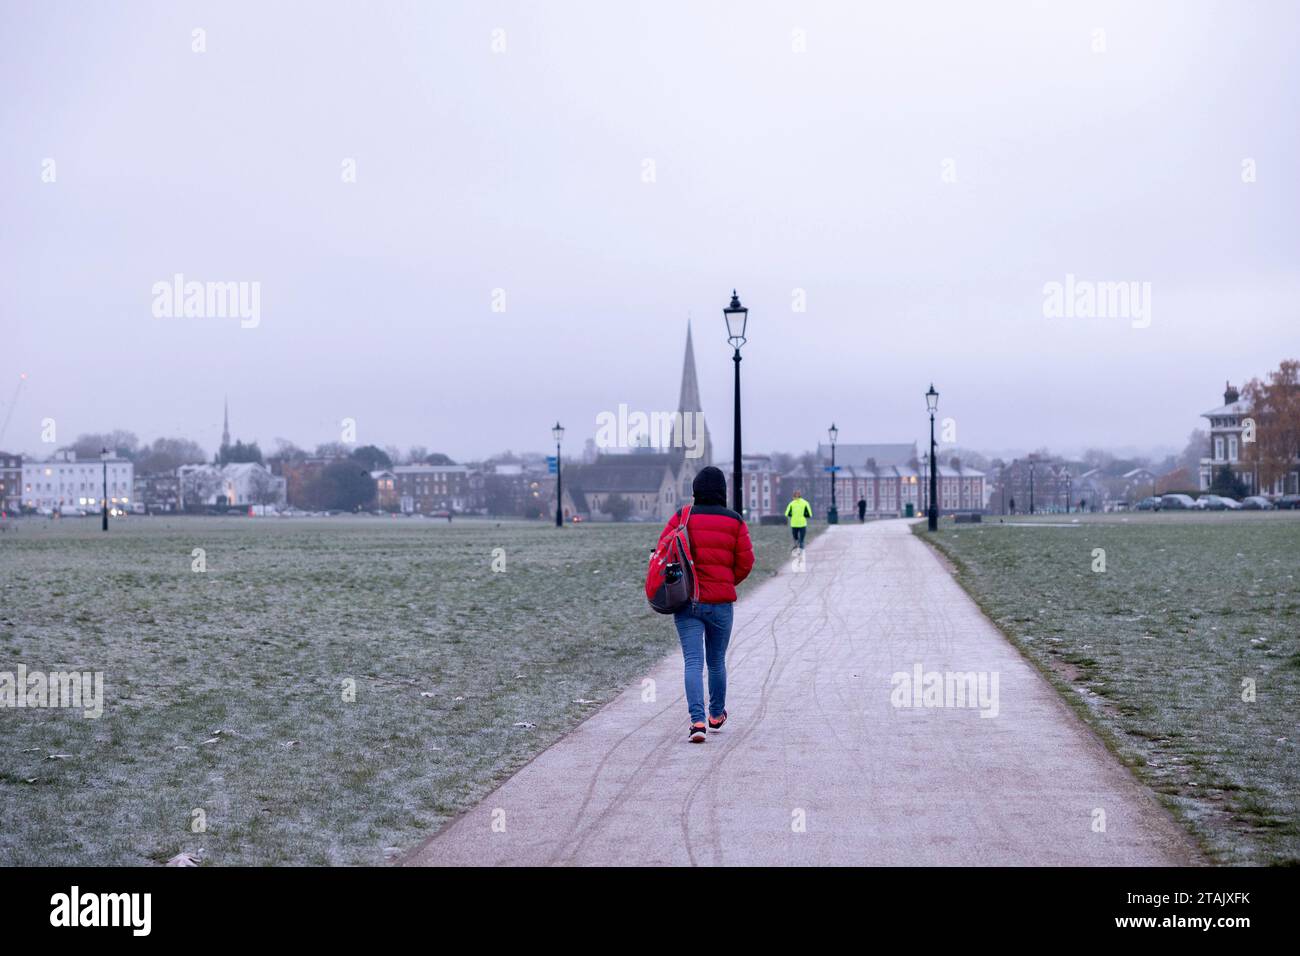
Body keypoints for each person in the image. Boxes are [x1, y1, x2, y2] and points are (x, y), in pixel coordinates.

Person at [655, 466, 754, 743]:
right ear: (723, 491)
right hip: (720, 604)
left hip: (687, 601)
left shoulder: (681, 517)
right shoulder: (735, 521)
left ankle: (697, 721)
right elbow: (746, 562)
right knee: (716, 661)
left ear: (695, 490)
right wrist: (726, 581)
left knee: (693, 662)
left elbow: (663, 550)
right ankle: (716, 714)